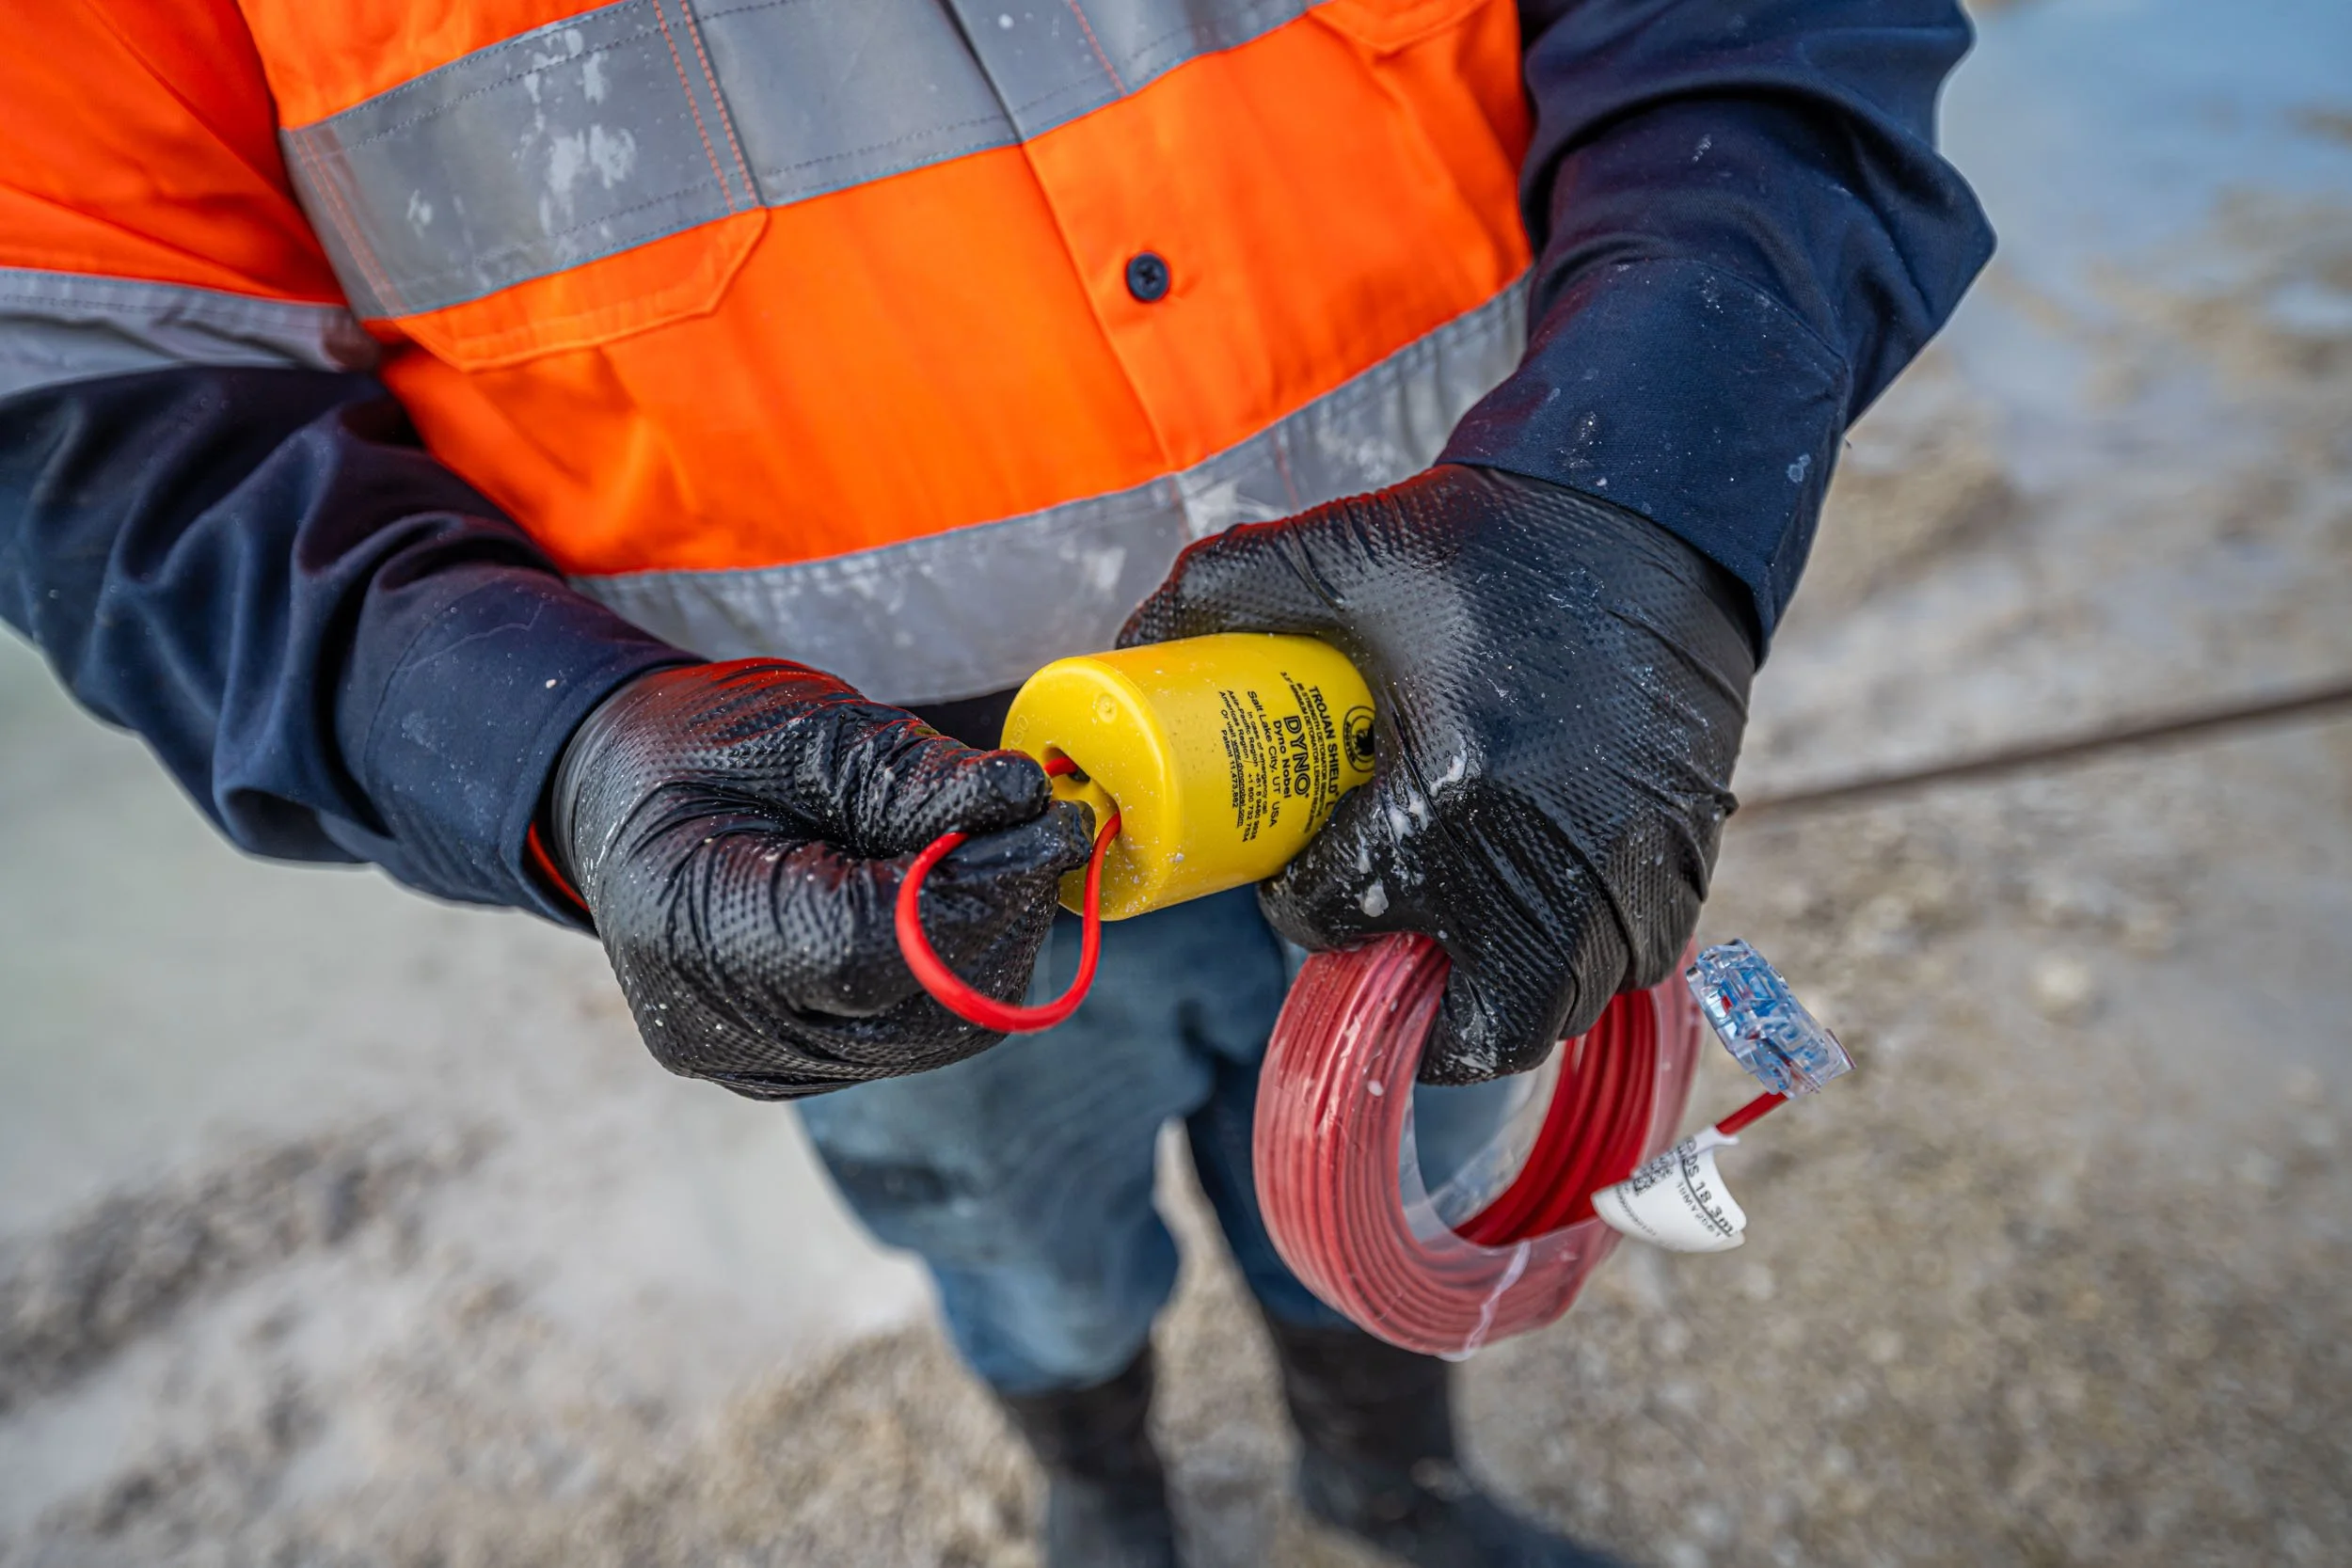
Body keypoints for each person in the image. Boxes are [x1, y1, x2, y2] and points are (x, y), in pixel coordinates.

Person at [0, 2, 1989, 1562]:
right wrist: (553, 751)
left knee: (1410, 1184)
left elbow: (1752, 24)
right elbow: (106, 408)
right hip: (862, 850)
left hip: (1473, 703)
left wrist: (1637, 494)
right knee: (1018, 1237)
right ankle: (1099, 1481)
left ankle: (1381, 1478)